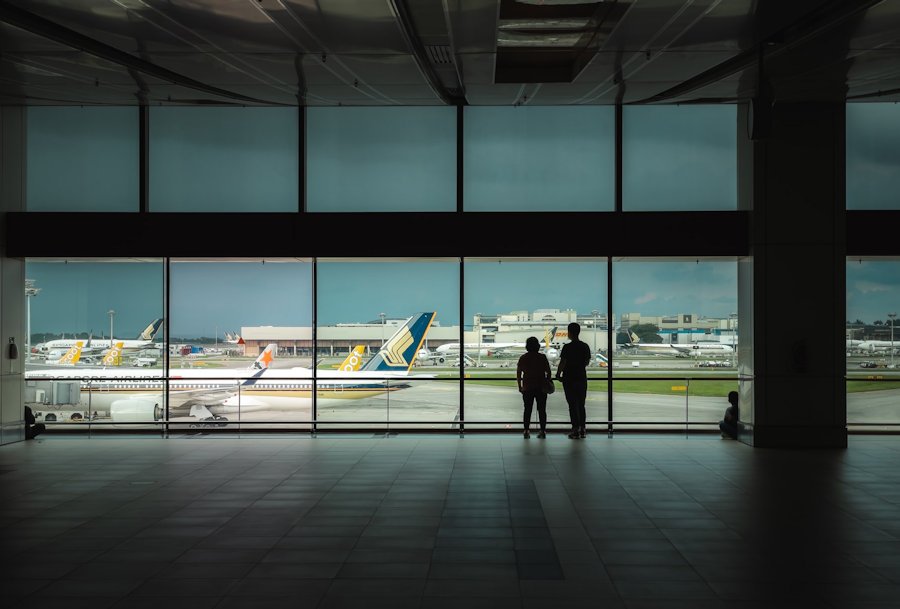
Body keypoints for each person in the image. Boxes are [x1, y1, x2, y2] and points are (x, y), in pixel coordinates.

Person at [556, 322, 591, 439]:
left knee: (572, 405)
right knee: (581, 404)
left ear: (569, 333)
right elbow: (586, 362)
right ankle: (583, 429)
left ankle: (575, 429)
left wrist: (558, 374)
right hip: (581, 377)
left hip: (569, 378)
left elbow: (563, 362)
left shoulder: (567, 347)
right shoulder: (585, 346)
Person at [517, 336, 552, 439]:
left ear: (527, 346)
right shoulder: (542, 357)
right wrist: (547, 382)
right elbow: (549, 372)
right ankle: (542, 431)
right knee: (542, 410)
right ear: (537, 346)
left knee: (527, 410)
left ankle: (526, 431)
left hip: (527, 387)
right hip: (541, 387)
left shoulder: (523, 357)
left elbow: (519, 373)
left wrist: (520, 386)